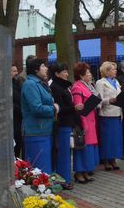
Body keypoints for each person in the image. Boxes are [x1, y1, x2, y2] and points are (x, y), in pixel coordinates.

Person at [21, 58, 58, 173]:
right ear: (36, 70)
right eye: (43, 66)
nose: (46, 68)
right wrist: (54, 109)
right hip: (35, 132)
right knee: (39, 168)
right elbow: (37, 108)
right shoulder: (30, 84)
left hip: (44, 130)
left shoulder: (40, 83)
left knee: (45, 168)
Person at [71, 62, 99, 184]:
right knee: (82, 147)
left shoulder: (88, 86)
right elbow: (78, 106)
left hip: (91, 119)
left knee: (89, 147)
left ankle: (86, 171)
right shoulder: (77, 87)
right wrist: (83, 124)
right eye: (87, 73)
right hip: (84, 121)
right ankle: (79, 172)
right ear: (81, 76)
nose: (90, 75)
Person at [49, 62, 75, 190]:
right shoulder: (55, 87)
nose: (67, 74)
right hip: (62, 124)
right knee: (63, 153)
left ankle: (66, 178)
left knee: (66, 152)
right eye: (64, 72)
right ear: (56, 74)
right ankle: (62, 179)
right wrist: (74, 108)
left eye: (66, 71)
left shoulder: (64, 86)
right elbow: (59, 108)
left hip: (68, 122)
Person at [96, 61, 123, 170]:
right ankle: (106, 160)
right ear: (106, 71)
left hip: (117, 112)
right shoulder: (100, 83)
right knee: (107, 138)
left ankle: (113, 159)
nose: (115, 71)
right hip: (107, 114)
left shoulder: (116, 82)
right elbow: (98, 100)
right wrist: (109, 100)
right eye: (112, 69)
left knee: (115, 139)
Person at [11, 64, 23, 158]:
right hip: (14, 119)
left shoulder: (17, 84)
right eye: (14, 71)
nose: (17, 73)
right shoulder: (8, 86)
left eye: (16, 70)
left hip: (19, 119)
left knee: (19, 143)